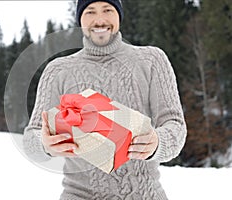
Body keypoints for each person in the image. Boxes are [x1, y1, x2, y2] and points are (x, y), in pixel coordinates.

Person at [23, 0, 187, 199]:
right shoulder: (58, 70)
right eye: (90, 12)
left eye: (107, 10)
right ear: (80, 19)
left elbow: (175, 125)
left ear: (119, 15)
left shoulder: (152, 60)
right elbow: (31, 136)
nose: (99, 20)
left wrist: (158, 142)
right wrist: (44, 144)